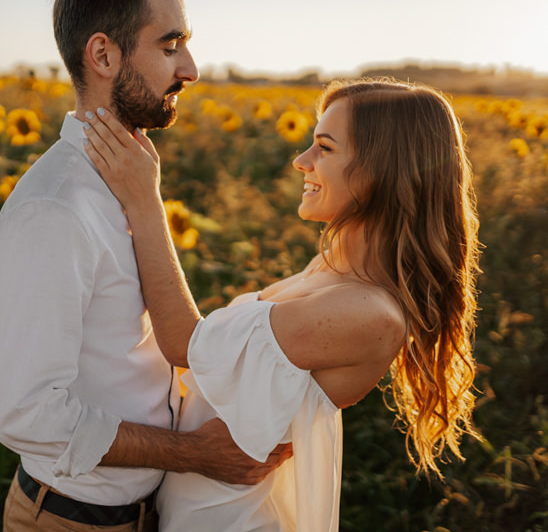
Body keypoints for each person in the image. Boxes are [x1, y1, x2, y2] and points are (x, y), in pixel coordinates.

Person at [81, 78, 481, 531]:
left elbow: (185, 344)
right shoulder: (329, 268)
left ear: (382, 170)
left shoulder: (371, 314)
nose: (301, 161)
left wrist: (144, 200)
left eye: (325, 148)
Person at [0, 0, 291, 532]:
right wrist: (199, 454)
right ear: (103, 54)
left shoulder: (129, 178)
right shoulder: (55, 209)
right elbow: (28, 415)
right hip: (73, 520)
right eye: (170, 45)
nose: (192, 69)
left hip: (142, 511)